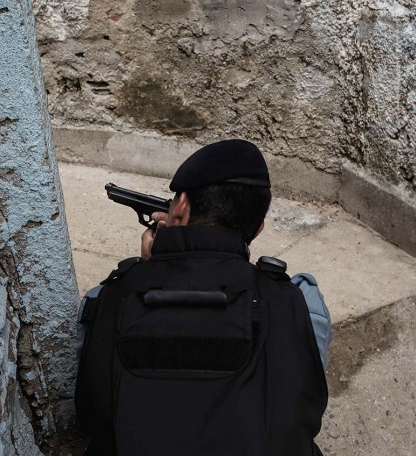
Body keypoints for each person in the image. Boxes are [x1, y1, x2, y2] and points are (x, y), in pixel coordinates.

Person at [75, 139, 332, 455]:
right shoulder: (302, 303)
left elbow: (91, 413)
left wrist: (148, 269)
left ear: (181, 207)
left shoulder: (108, 297)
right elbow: (302, 404)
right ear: (258, 228)